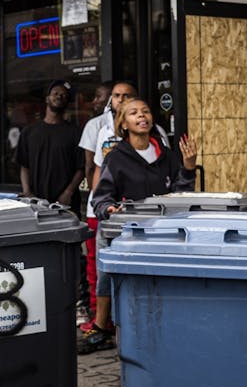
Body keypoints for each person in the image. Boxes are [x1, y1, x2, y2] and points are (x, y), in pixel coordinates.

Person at [85, 96, 198, 353]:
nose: (141, 116)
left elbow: (181, 195)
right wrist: (108, 209)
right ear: (123, 124)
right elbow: (102, 197)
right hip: (125, 229)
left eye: (145, 111)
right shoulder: (116, 157)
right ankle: (102, 326)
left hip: (158, 231)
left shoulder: (167, 156)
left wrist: (188, 168)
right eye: (134, 113)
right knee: (108, 274)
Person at [75, 81, 114, 323]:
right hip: (99, 205)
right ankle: (98, 316)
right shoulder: (95, 125)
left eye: (100, 96)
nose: (95, 102)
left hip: (103, 206)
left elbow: (90, 166)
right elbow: (90, 167)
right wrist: (96, 197)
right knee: (95, 263)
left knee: (99, 263)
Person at [16, 79, 83, 209]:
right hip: (35, 202)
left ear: (67, 101)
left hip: (65, 203)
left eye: (64, 95)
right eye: (56, 93)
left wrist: (68, 192)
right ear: (47, 99)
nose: (59, 96)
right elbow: (24, 165)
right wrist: (27, 192)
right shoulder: (29, 131)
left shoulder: (76, 132)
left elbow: (81, 168)